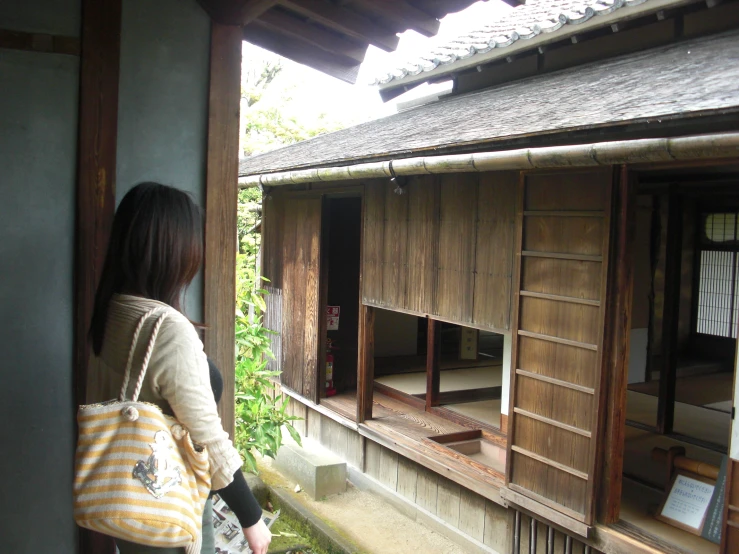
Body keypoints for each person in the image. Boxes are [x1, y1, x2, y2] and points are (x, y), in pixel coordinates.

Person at [87, 182, 272, 554]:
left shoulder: (113, 309)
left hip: (130, 498)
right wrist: (251, 519)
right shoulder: (166, 327)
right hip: (168, 504)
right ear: (172, 251)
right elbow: (205, 435)